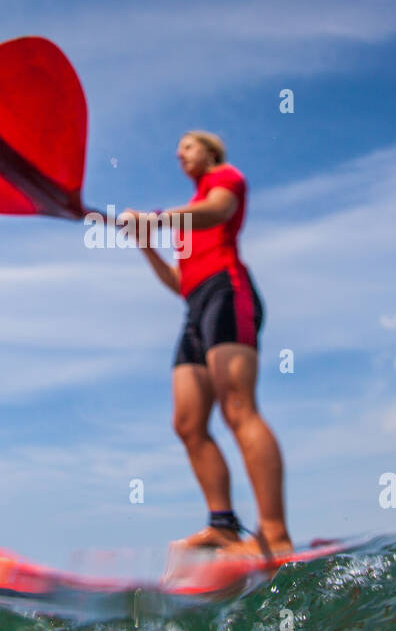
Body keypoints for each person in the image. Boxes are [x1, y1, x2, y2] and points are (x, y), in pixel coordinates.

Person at [120, 131, 293, 559]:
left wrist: (155, 218)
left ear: (210, 151)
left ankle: (274, 534)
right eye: (177, 149)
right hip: (196, 306)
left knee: (238, 408)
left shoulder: (224, 179)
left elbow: (217, 212)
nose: (179, 153)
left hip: (227, 293)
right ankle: (223, 527)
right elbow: (180, 283)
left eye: (188, 146)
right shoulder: (187, 218)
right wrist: (146, 244)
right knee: (188, 423)